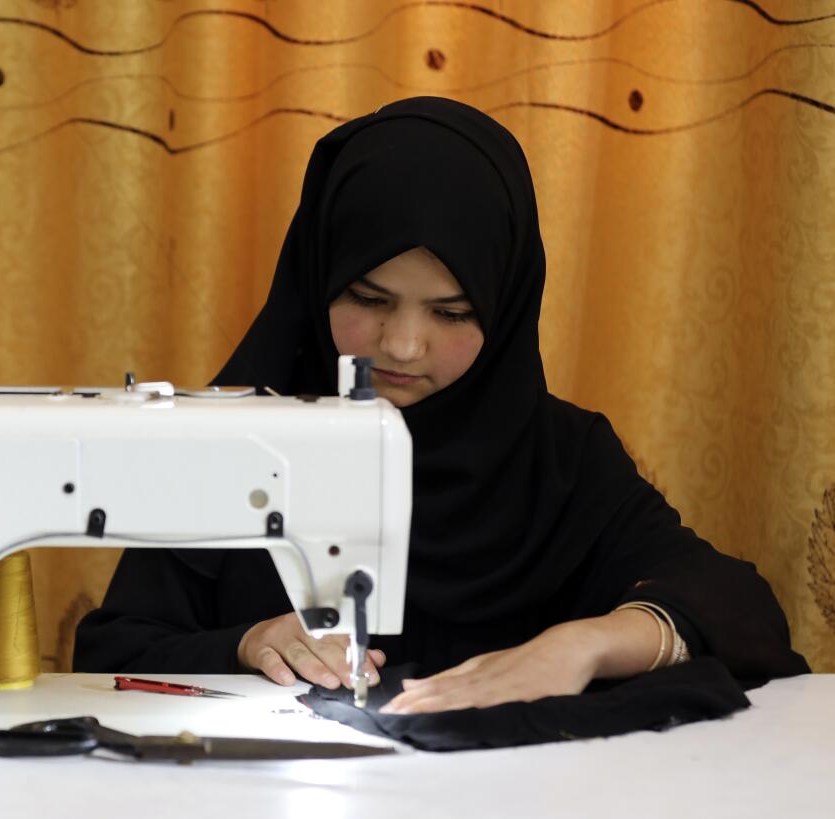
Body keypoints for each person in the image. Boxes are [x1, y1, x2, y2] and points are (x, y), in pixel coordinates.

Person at [73, 97, 808, 715]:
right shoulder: (234, 440)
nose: (403, 345)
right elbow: (113, 647)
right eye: (367, 298)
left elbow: (736, 603)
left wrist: (583, 643)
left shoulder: (564, 461)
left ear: (505, 307)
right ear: (318, 275)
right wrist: (242, 642)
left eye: (452, 313)